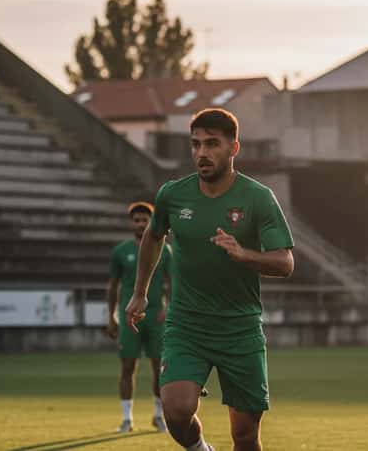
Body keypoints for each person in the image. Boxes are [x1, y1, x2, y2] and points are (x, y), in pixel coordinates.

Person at [125, 108, 294, 451]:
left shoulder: (258, 197)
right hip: (187, 325)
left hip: (240, 328)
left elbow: (285, 262)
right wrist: (140, 292)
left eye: (212, 144)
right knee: (176, 411)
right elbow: (154, 236)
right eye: (196, 144)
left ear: (234, 148)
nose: (202, 152)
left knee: (245, 436)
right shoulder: (173, 194)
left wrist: (246, 255)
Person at [106, 201, 173, 433]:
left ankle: (158, 415)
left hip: (156, 316)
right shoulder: (120, 251)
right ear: (131, 223)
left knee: (159, 367)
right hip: (129, 316)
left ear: (151, 221)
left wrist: (168, 308)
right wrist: (111, 316)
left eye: (145, 220)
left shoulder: (164, 250)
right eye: (137, 220)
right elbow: (113, 286)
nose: (141, 224)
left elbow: (173, 282)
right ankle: (127, 419)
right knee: (127, 366)